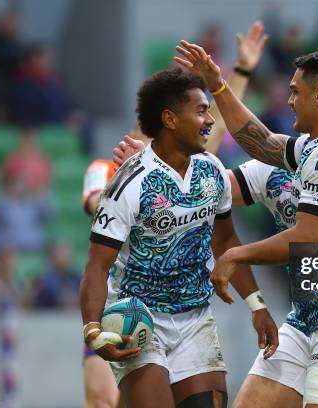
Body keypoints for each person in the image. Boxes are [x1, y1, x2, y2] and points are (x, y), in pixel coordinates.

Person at [114, 77, 318, 408]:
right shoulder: (276, 169)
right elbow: (203, 193)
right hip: (305, 321)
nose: (291, 101)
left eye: (299, 94)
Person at [175, 43, 318, 407]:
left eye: (296, 91)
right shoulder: (317, 146)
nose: (289, 100)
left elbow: (307, 236)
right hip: (311, 315)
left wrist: (236, 255)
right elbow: (261, 142)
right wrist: (219, 86)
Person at [80, 22, 270, 408]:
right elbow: (97, 214)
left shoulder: (205, 168)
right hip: (133, 314)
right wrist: (92, 328)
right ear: (162, 120)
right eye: (195, 111)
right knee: (101, 400)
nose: (206, 121)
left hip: (194, 318)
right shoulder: (117, 176)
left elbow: (225, 235)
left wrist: (240, 72)